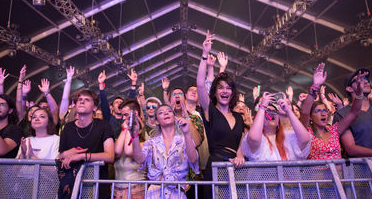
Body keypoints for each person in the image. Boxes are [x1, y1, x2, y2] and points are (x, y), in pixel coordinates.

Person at [196, 31, 245, 198]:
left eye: (228, 88)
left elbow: (241, 141)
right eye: (220, 87)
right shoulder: (210, 111)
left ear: (233, 93)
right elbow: (200, 84)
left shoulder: (238, 117)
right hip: (216, 166)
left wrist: (240, 155)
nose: (225, 91)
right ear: (215, 92)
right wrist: (204, 54)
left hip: (237, 168)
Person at [131, 104, 199, 199]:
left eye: (169, 111)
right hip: (155, 193)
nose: (166, 113)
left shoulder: (184, 140)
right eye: (161, 112)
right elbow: (139, 159)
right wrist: (134, 135)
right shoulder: (151, 142)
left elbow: (193, 159)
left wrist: (187, 133)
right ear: (157, 121)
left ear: (174, 117)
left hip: (177, 193)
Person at [57, 90, 115, 199]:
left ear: (94, 108)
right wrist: (68, 153)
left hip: (97, 186)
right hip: (72, 186)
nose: (82, 102)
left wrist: (82, 156)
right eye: (80, 99)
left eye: (87, 100)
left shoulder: (103, 126)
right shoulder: (68, 128)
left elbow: (110, 156)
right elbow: (60, 156)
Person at [300, 63, 365, 159]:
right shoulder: (307, 133)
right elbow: (304, 113)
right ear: (310, 116)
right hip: (317, 173)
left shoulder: (334, 130)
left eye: (325, 111)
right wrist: (315, 87)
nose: (323, 113)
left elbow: (354, 113)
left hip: (337, 174)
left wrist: (359, 93)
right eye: (318, 111)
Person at [239, 92, 311, 162]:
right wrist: (262, 107)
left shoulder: (288, 138)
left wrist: (288, 111)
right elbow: (253, 138)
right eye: (267, 111)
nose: (270, 113)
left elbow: (305, 139)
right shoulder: (259, 140)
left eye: (274, 111)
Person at [333, 68, 372, 157]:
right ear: (349, 88)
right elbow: (351, 149)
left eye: (366, 79)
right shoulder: (342, 114)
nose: (365, 82)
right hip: (360, 168)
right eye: (359, 80)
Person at [114, 99, 147, 199]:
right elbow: (116, 152)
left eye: (126, 115)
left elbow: (129, 151)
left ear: (135, 113)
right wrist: (125, 130)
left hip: (136, 190)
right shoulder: (123, 133)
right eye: (122, 115)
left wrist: (131, 127)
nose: (123, 118)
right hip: (118, 191)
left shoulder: (145, 139)